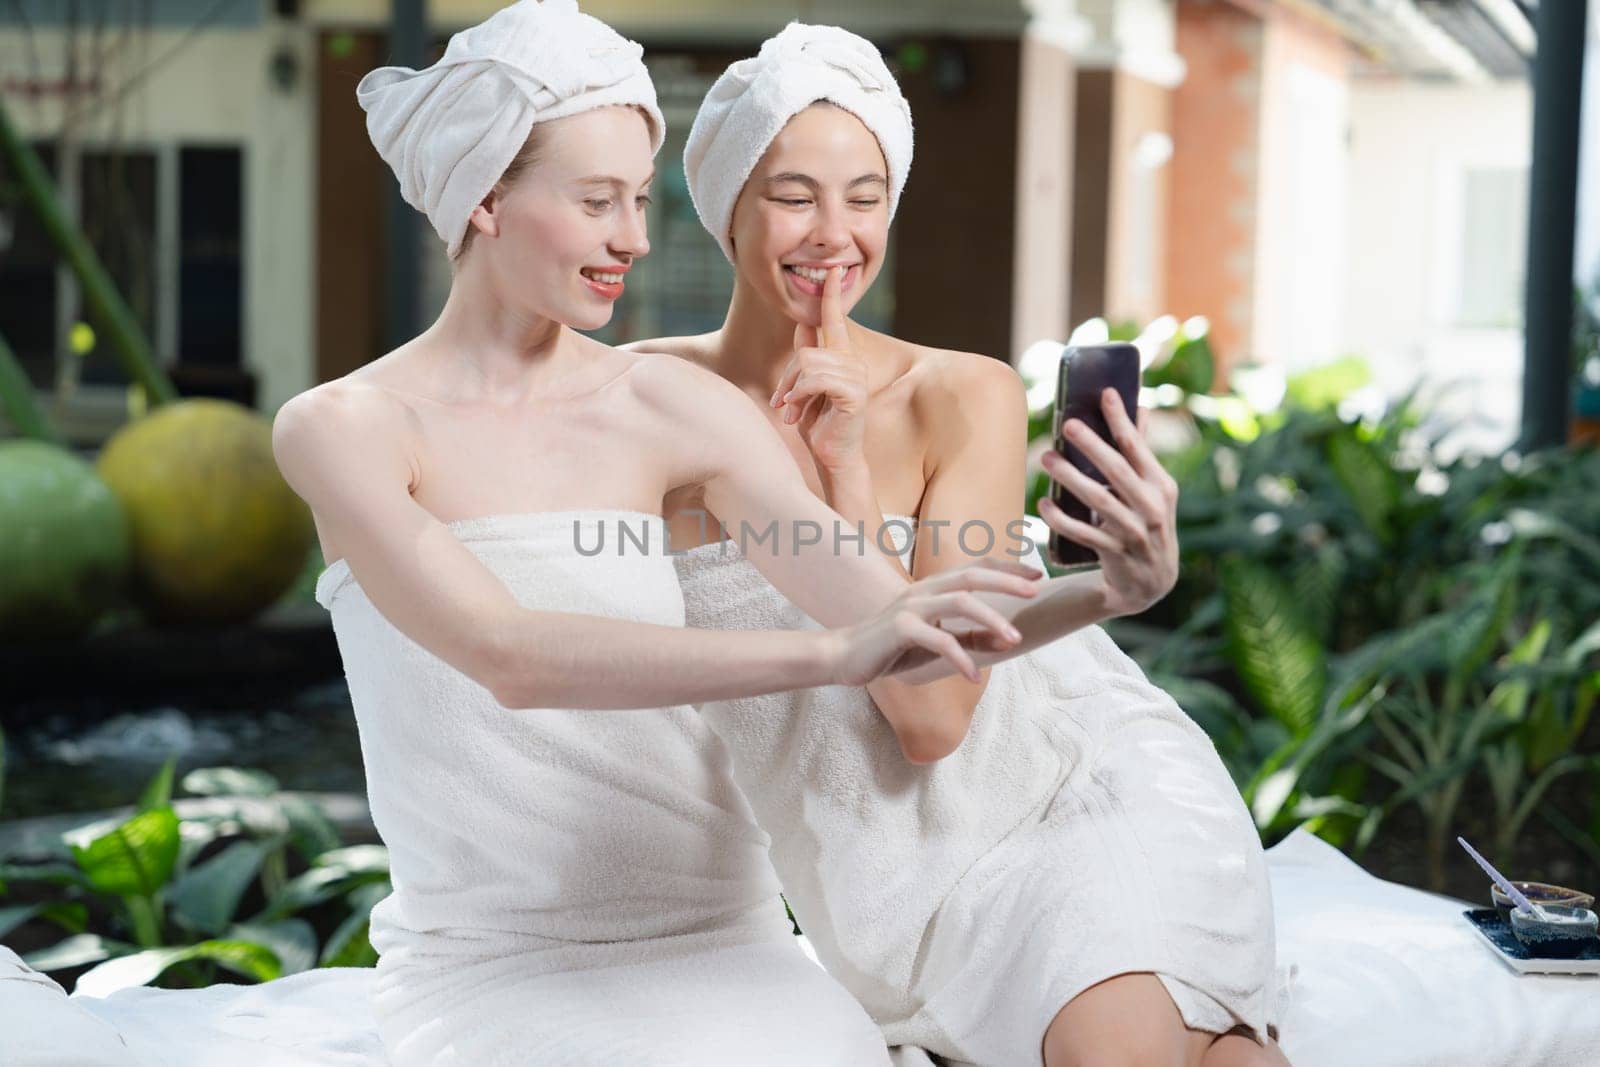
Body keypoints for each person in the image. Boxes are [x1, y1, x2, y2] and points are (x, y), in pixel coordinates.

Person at [271, 5, 1105, 1064]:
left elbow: (903, 627)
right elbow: (507, 654)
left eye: (638, 198)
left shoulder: (671, 405)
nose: (636, 237)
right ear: (483, 198)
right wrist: (823, 653)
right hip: (499, 964)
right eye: (596, 201)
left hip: (729, 943)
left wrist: (1115, 588)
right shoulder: (346, 430)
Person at [630, 23, 1288, 1067]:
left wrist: (843, 476)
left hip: (1070, 785)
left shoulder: (956, 393)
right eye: (794, 194)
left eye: (865, 195)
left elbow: (932, 713)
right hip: (892, 871)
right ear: (723, 209)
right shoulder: (642, 399)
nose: (833, 233)